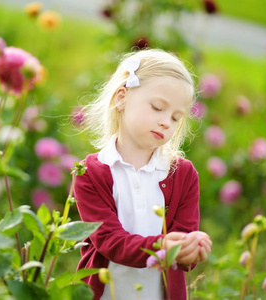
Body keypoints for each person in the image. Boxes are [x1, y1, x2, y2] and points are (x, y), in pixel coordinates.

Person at [74, 49, 212, 300]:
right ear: (122, 98)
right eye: (158, 107)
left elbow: (184, 247)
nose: (165, 122)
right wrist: (162, 248)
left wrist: (191, 248)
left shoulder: (182, 174)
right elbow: (108, 241)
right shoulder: (91, 173)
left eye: (175, 117)